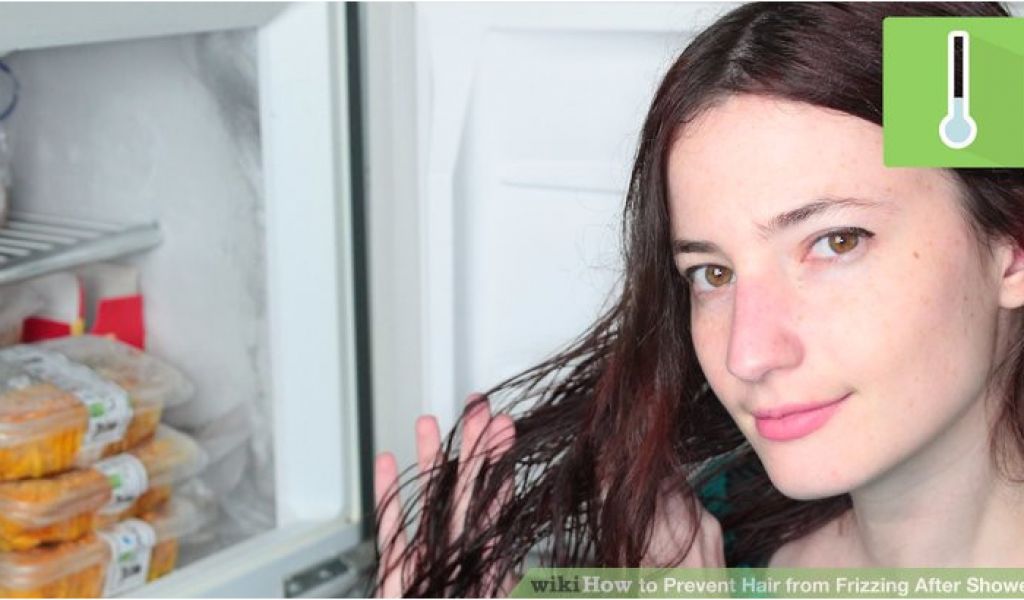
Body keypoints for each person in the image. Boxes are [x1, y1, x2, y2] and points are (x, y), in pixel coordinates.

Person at [374, 2, 1024, 596]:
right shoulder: (691, 548)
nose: (748, 354)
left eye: (835, 242)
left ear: (1013, 250)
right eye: (712, 274)